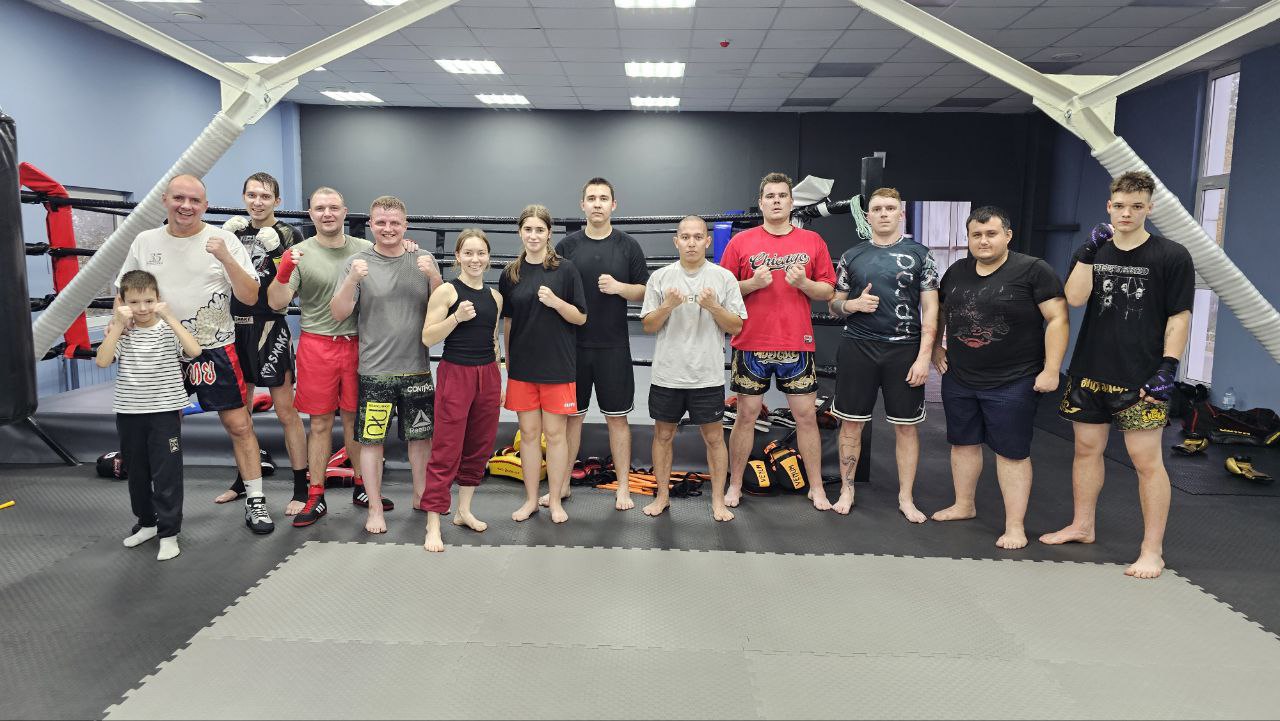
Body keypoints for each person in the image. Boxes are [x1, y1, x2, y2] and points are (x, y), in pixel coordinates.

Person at [1042, 171, 1193, 579]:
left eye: (1136, 206)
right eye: (1121, 206)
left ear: (1149, 208)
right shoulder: (1096, 250)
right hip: (1090, 371)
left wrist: (1168, 366)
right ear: (1109, 206)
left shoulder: (1171, 255)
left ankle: (1152, 549)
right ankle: (1082, 525)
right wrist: (1087, 251)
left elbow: (1180, 316)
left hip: (1141, 375)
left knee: (1146, 462)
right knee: (1085, 451)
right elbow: (1074, 298)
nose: (1127, 213)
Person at [116, 174, 274, 535]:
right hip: (160, 351)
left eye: (194, 200)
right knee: (162, 432)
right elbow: (123, 294)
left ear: (205, 205)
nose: (186, 206)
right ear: (165, 200)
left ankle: (255, 499)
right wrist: (119, 326)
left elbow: (250, 296)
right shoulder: (145, 241)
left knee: (239, 424)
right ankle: (159, 513)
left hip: (214, 347)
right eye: (179, 198)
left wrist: (226, 258)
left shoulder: (224, 240)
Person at [930, 206, 1069, 549]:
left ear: (1007, 235)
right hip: (960, 375)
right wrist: (936, 347)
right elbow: (941, 311)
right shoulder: (957, 271)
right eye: (976, 235)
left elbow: (1058, 319)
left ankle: (1015, 526)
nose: (983, 241)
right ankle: (964, 505)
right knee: (963, 443)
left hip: (1014, 379)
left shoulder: (1033, 270)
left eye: (991, 234)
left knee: (1012, 453)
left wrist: (1052, 369)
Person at [719, 172, 836, 511]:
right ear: (761, 203)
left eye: (782, 195)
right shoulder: (741, 243)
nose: (776, 201)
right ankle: (735, 484)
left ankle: (816, 487)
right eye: (770, 196)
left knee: (806, 416)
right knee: (746, 415)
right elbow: (724, 289)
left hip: (796, 342)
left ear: (791, 201)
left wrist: (805, 285)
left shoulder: (812, 241)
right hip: (751, 342)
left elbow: (827, 290)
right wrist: (752, 284)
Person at [267, 187, 379, 527]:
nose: (327, 213)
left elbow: (395, 262)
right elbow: (276, 303)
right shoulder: (299, 253)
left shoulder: (365, 249)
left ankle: (362, 485)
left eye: (333, 207)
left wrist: (411, 248)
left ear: (344, 212)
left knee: (355, 420)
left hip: (359, 344)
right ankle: (315, 495)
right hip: (318, 345)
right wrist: (283, 271)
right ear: (311, 214)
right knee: (319, 423)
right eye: (320, 208)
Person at [330, 195, 442, 534]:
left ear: (406, 225)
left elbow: (442, 308)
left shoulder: (422, 259)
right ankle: (375, 507)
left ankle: (421, 495)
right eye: (381, 222)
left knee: (421, 439)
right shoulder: (356, 263)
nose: (388, 228)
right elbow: (338, 313)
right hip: (375, 371)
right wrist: (352, 281)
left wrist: (434, 277)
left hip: (417, 367)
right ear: (370, 225)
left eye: (395, 223)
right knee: (371, 441)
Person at [828, 188, 939, 522]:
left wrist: (924, 357)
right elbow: (834, 306)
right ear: (868, 216)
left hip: (904, 349)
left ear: (901, 213)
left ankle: (906, 497)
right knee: (851, 423)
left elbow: (931, 309)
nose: (884, 213)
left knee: (906, 427)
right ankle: (847, 489)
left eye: (890, 208)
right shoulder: (852, 255)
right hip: (858, 346)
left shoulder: (920, 254)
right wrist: (853, 305)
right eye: (877, 209)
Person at [546, 178, 650, 512]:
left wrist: (620, 287)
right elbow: (551, 287)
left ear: (613, 205)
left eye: (603, 198)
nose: (597, 204)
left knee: (617, 419)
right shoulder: (567, 246)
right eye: (591, 198)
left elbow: (645, 291)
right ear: (583, 205)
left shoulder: (628, 246)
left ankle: (623, 487)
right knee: (572, 419)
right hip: (573, 347)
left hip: (614, 346)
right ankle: (562, 484)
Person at [640, 216, 746, 521]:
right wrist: (668, 305)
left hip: (706, 375)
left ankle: (718, 501)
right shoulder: (660, 277)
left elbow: (736, 326)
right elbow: (648, 325)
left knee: (714, 439)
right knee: (663, 436)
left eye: (698, 237)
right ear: (676, 241)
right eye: (685, 237)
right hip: (668, 375)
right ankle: (662, 497)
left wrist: (713, 306)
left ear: (707, 241)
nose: (691, 243)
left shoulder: (724, 278)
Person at [215, 171, 309, 514]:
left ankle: (301, 488)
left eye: (265, 196)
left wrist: (277, 252)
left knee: (286, 411)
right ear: (244, 197)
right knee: (239, 413)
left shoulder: (289, 234)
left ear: (277, 201)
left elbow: (293, 287)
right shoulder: (232, 232)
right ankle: (243, 481)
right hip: (232, 327)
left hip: (270, 326)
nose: (258, 202)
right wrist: (223, 242)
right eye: (252, 195)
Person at [96, 270, 203, 561]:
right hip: (129, 412)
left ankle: (169, 533)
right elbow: (103, 361)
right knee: (137, 474)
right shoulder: (123, 331)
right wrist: (118, 324)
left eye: (148, 301)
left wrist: (170, 317)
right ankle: (147, 523)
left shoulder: (168, 329)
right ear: (123, 302)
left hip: (164, 414)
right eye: (134, 302)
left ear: (158, 299)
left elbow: (194, 350)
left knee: (166, 474)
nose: (142, 308)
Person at [499, 204, 587, 524]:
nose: (533, 235)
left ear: (549, 233)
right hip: (523, 367)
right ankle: (531, 500)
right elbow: (508, 322)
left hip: (557, 365)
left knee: (556, 434)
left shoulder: (566, 270)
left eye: (539, 230)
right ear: (520, 232)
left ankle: (556, 501)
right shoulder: (511, 273)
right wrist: (509, 363)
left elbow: (580, 317)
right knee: (528, 433)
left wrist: (556, 302)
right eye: (528, 229)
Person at [419, 229, 503, 552]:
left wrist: (499, 378)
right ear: (457, 257)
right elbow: (428, 337)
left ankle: (463, 511)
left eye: (480, 253)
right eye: (468, 253)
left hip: (488, 374)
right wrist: (456, 318)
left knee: (479, 446)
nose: (475, 259)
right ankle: (433, 523)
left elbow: (493, 340)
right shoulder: (447, 292)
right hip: (456, 373)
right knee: (447, 448)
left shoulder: (495, 297)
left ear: (488, 257)